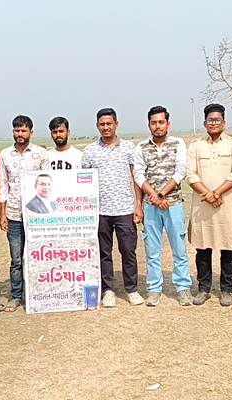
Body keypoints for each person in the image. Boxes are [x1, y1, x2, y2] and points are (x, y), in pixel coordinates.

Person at [82, 108, 144, 307]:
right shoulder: (90, 151)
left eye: (109, 123)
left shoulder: (129, 148)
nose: (106, 127)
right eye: (102, 124)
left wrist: (138, 205)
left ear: (116, 125)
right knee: (104, 253)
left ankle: (132, 290)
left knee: (128, 251)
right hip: (100, 212)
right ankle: (108, 290)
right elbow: (84, 182)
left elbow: (136, 178)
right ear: (97, 126)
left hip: (124, 209)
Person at [133, 106, 192, 307]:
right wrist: (154, 197)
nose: (157, 126)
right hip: (151, 207)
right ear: (149, 125)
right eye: (153, 123)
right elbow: (138, 174)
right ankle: (154, 289)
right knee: (152, 251)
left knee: (179, 249)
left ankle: (183, 288)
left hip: (173, 204)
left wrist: (161, 194)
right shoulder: (141, 147)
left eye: (161, 122)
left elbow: (180, 171)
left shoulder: (178, 143)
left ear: (168, 124)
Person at [186, 104, 232, 307]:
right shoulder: (196, 146)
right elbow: (191, 175)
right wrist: (209, 195)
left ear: (224, 122)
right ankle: (204, 289)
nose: (213, 123)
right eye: (210, 120)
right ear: (205, 123)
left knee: (228, 248)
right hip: (202, 205)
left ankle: (227, 290)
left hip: (226, 204)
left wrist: (217, 193)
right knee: (203, 248)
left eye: (217, 119)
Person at [0, 115, 50, 312]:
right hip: (13, 214)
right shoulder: (5, 155)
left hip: (37, 214)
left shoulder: (40, 153)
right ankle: (16, 296)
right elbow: (3, 185)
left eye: (23, 130)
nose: (20, 134)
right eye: (17, 130)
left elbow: (48, 182)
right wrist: (2, 213)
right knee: (16, 259)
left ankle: (39, 293)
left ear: (31, 132)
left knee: (39, 256)